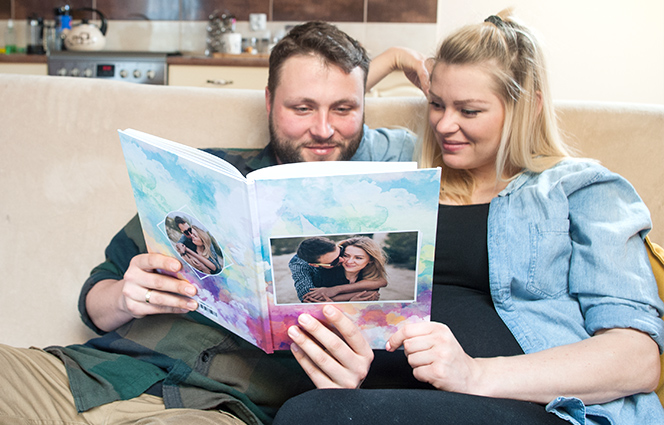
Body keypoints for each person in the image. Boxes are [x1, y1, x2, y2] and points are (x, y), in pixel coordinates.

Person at [0, 21, 432, 425]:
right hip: (85, 377)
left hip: (213, 410)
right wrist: (125, 294)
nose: (324, 129)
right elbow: (93, 299)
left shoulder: (383, 196)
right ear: (268, 103)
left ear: (365, 110)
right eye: (301, 108)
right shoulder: (200, 178)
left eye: (344, 109)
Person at [275, 11, 664, 425]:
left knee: (309, 416)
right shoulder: (400, 169)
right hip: (379, 397)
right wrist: (389, 60)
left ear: (527, 107)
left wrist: (473, 372)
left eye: (470, 110)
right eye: (437, 104)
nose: (445, 124)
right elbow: (327, 125)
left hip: (525, 405)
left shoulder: (582, 190)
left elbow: (636, 358)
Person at [303, 236, 388, 303]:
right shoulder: (324, 274)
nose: (349, 261)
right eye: (346, 255)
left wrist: (336, 291)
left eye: (358, 258)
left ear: (371, 260)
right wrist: (346, 303)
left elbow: (376, 289)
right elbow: (310, 302)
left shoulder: (368, 276)